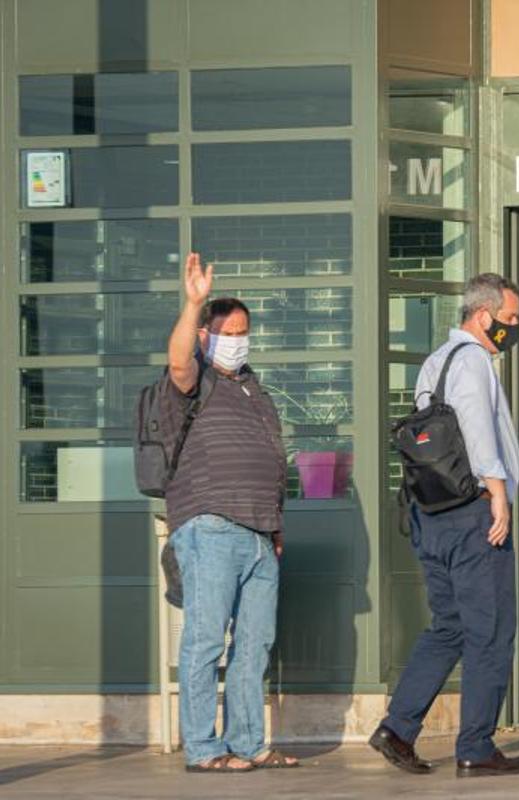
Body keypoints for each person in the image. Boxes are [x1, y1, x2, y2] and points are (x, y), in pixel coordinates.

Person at [371, 273, 519, 778]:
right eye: (511, 319)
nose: (514, 328)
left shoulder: (434, 362)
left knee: (449, 627)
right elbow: (478, 429)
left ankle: (397, 728)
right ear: (483, 317)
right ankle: (476, 745)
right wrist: (498, 494)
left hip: (431, 513)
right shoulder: (476, 361)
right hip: (473, 514)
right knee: (490, 631)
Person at [166, 253, 298, 772]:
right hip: (212, 524)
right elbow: (178, 362)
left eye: (245, 330)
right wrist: (194, 302)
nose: (239, 338)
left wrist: (276, 527)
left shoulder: (254, 388)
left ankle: (248, 741)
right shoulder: (194, 381)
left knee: (255, 643)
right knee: (205, 638)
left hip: (260, 534)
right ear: (206, 336)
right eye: (228, 331)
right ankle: (202, 748)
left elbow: (272, 459)